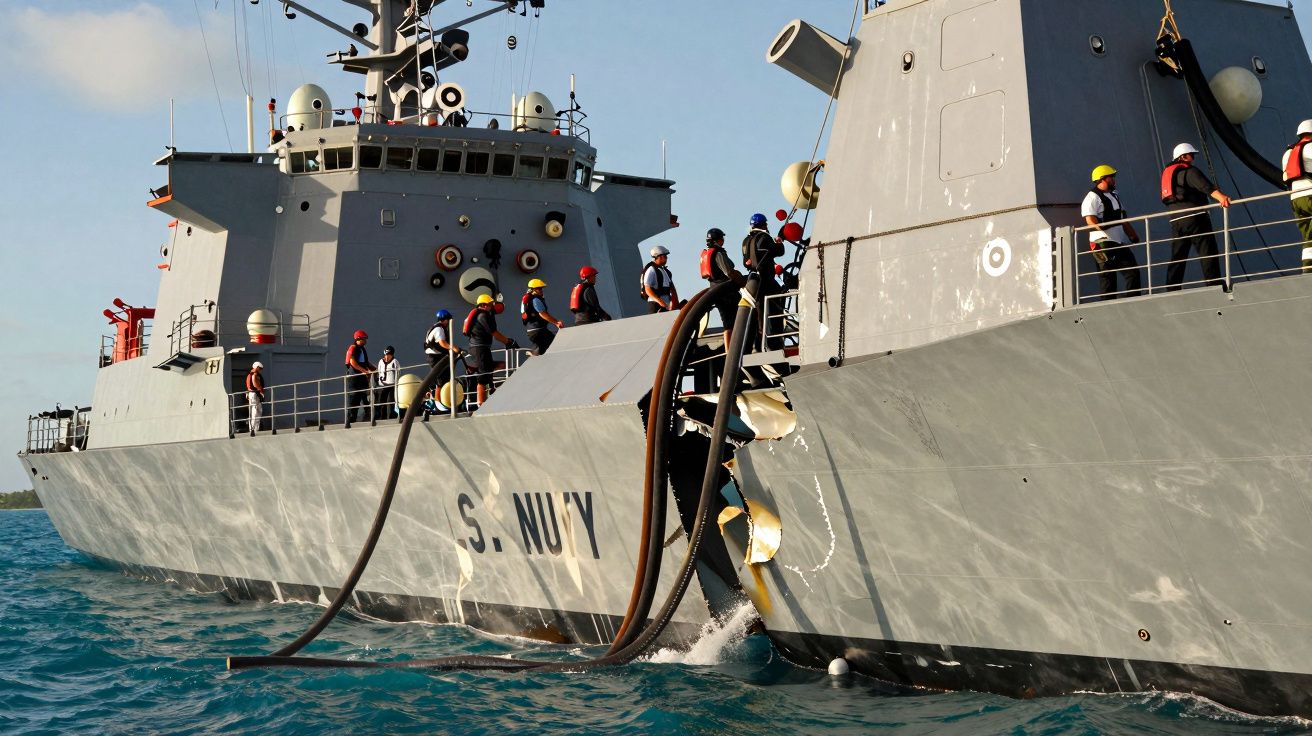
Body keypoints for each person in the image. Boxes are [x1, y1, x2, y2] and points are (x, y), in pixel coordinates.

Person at [1160, 142, 1232, 290]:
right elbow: (1206, 187)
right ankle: (1214, 285)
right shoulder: (1190, 172)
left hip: (1176, 221)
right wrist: (1222, 198)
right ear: (1183, 156)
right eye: (1191, 155)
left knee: (1178, 256)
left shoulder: (1169, 174)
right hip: (1196, 217)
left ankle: (1171, 288)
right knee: (1207, 251)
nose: (1193, 158)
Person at [1082, 164, 1143, 298]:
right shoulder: (1092, 197)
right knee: (1108, 278)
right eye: (1111, 177)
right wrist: (1102, 229)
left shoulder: (1115, 196)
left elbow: (1122, 218)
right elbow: (1090, 220)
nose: (1114, 180)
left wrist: (1132, 235)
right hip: (1101, 244)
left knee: (1133, 272)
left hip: (1117, 242)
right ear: (1102, 179)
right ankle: (1108, 309)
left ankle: (1133, 302)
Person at [462, 294, 518, 406]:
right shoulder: (483, 316)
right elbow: (495, 333)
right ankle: (481, 405)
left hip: (480, 349)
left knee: (501, 365)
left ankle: (492, 388)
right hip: (480, 349)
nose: (492, 306)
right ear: (483, 305)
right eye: (490, 304)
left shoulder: (482, 314)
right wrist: (508, 342)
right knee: (483, 378)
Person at [742, 213, 785, 349]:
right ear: (764, 225)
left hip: (752, 281)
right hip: (766, 281)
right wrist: (779, 242)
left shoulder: (746, 241)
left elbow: (746, 263)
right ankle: (775, 342)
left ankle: (758, 344)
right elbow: (778, 251)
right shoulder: (764, 237)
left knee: (757, 313)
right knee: (775, 308)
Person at [700, 226, 745, 343]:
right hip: (726, 291)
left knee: (727, 322)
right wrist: (741, 281)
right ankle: (736, 348)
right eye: (721, 238)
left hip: (714, 290)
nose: (723, 240)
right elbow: (728, 271)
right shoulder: (718, 253)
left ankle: (729, 352)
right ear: (717, 240)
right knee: (742, 315)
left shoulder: (708, 253)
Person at [1282, 119, 1312, 272]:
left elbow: (1285, 177)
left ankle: (1308, 269)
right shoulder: (1310, 147)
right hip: (1310, 196)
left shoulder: (1288, 152)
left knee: (1308, 235)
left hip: (1296, 199)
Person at [521, 278, 565, 354]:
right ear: (532, 290)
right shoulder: (535, 300)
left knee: (543, 346)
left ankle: (535, 352)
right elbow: (543, 314)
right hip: (538, 331)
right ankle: (536, 353)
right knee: (554, 342)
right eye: (539, 289)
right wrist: (556, 322)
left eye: (541, 288)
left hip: (531, 332)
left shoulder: (527, 301)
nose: (541, 290)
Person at [344, 329, 375, 423]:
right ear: (358, 339)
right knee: (354, 400)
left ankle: (368, 417)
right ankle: (350, 421)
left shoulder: (362, 349)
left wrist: (375, 369)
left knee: (365, 399)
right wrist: (365, 371)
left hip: (361, 378)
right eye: (364, 339)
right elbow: (352, 362)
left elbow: (366, 362)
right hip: (354, 379)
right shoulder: (353, 348)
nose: (365, 341)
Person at [424, 309, 464, 379]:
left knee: (441, 379)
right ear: (445, 319)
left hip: (435, 356)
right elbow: (442, 343)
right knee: (442, 379)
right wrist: (453, 348)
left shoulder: (436, 327)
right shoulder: (439, 329)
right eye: (448, 320)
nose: (448, 322)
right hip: (435, 357)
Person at [641, 245, 679, 313]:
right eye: (665, 256)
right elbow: (647, 289)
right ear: (659, 256)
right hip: (656, 305)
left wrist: (676, 303)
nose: (666, 258)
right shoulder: (651, 270)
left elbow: (672, 289)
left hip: (667, 305)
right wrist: (659, 301)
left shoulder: (666, 271)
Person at [375, 346, 398, 417]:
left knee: (392, 400)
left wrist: (396, 383)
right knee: (381, 401)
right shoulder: (381, 361)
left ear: (392, 355)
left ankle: (393, 415)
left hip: (392, 384)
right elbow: (379, 371)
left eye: (389, 355)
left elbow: (398, 372)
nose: (387, 357)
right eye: (385, 355)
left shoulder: (395, 362)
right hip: (382, 385)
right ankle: (382, 416)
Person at [246, 362, 265, 432]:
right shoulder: (255, 374)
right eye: (260, 368)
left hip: (252, 394)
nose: (260, 370)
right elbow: (255, 383)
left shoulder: (250, 374)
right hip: (255, 394)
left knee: (255, 411)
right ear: (256, 367)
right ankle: (254, 429)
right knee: (256, 411)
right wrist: (261, 391)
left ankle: (254, 428)